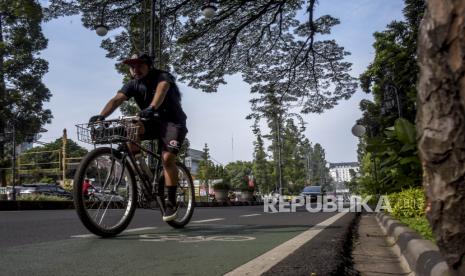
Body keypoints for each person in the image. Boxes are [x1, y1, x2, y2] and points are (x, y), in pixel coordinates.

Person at [88, 53, 188, 222]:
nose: (135, 69)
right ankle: (141, 165)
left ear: (149, 65)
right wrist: (101, 116)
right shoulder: (132, 85)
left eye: (139, 65)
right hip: (151, 122)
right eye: (132, 67)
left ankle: (171, 202)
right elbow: (117, 99)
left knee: (167, 158)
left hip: (172, 122)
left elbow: (162, 89)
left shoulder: (162, 76)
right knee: (129, 127)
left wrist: (152, 107)